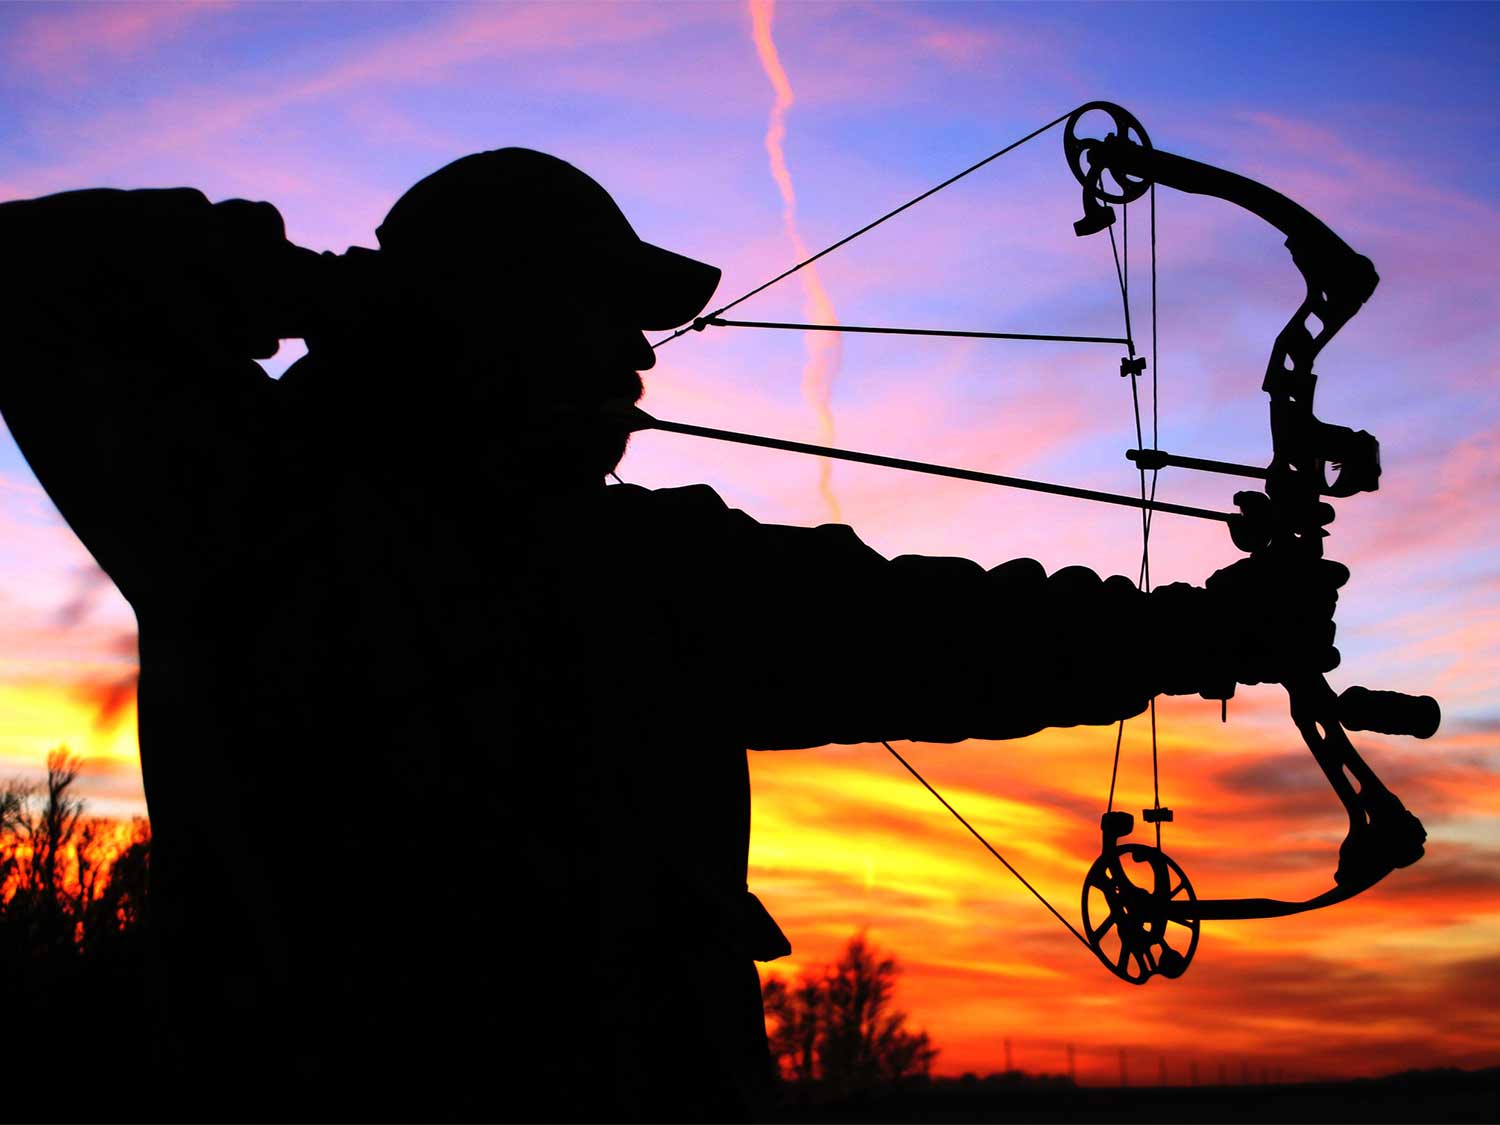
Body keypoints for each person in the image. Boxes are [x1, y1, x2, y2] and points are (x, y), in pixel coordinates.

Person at [0, 150, 1343, 1121]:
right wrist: (325, 289)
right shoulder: (269, 521)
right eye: (602, 316)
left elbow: (931, 627)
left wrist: (1204, 629)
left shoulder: (261, 516)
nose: (641, 361)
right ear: (489, 318)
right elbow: (28, 274)